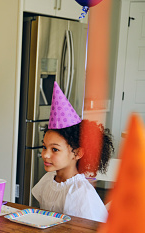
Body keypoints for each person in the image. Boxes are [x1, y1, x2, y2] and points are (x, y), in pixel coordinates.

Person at [31, 82, 114, 223]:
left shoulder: (80, 193)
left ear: (77, 153)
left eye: (55, 149)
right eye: (44, 147)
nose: (45, 154)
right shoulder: (48, 179)